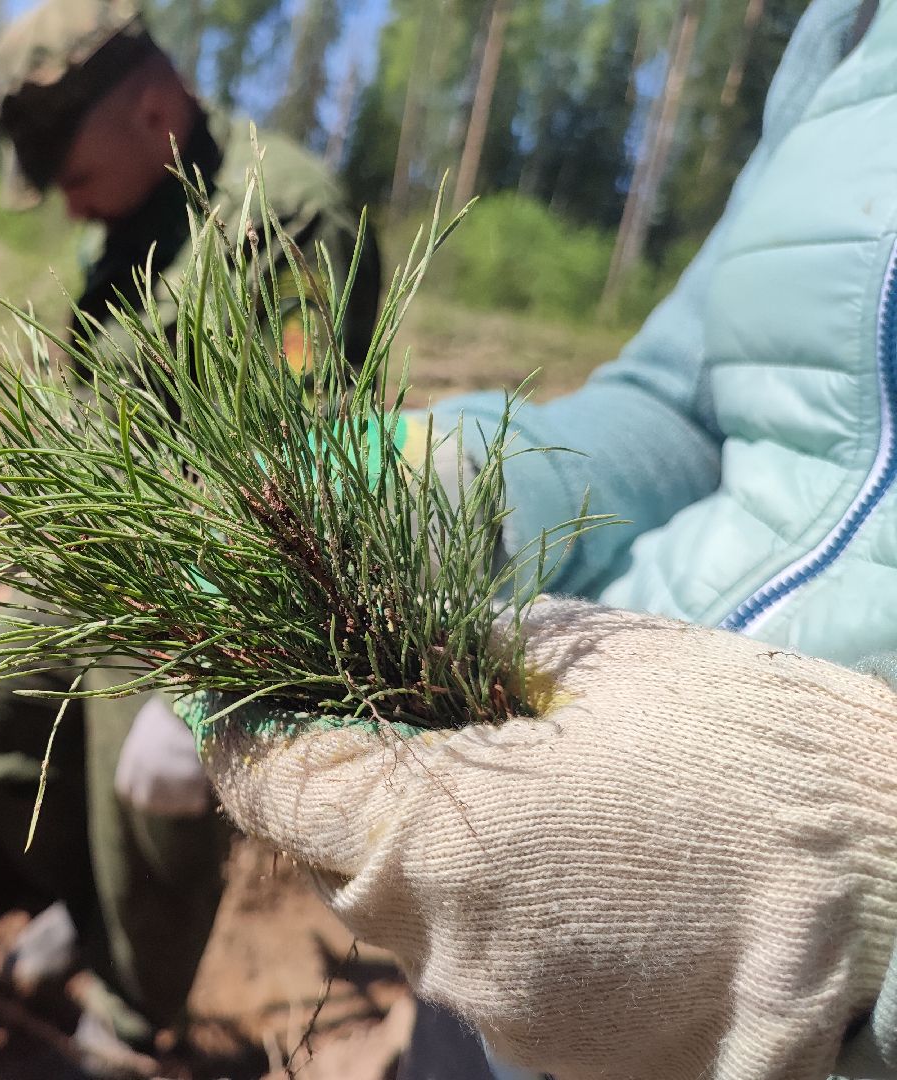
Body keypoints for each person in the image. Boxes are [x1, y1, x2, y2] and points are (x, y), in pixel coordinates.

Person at [178, 0, 897, 1078]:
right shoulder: (853, 31)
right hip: (524, 878)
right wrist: (459, 483)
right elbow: (686, 405)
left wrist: (860, 863)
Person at [0, 0, 382, 1074]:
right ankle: (91, 911)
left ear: (157, 108)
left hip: (191, 587)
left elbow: (306, 457)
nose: (60, 200)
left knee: (150, 818)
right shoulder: (130, 211)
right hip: (93, 566)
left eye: (68, 169)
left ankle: (131, 1025)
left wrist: (211, 674)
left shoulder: (287, 217)